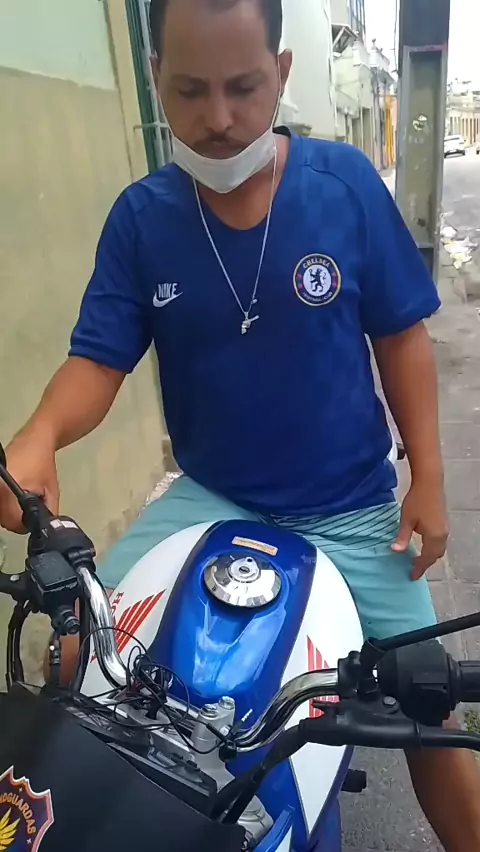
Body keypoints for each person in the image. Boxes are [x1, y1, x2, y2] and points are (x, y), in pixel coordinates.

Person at [0, 0, 479, 847]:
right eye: (190, 91)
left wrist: (429, 479)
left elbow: (401, 337)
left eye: (243, 88)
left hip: (352, 510)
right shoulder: (142, 219)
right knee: (74, 653)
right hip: (211, 497)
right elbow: (99, 361)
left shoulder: (344, 188)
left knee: (428, 706)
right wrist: (37, 436)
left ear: (281, 74)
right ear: (155, 79)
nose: (218, 119)